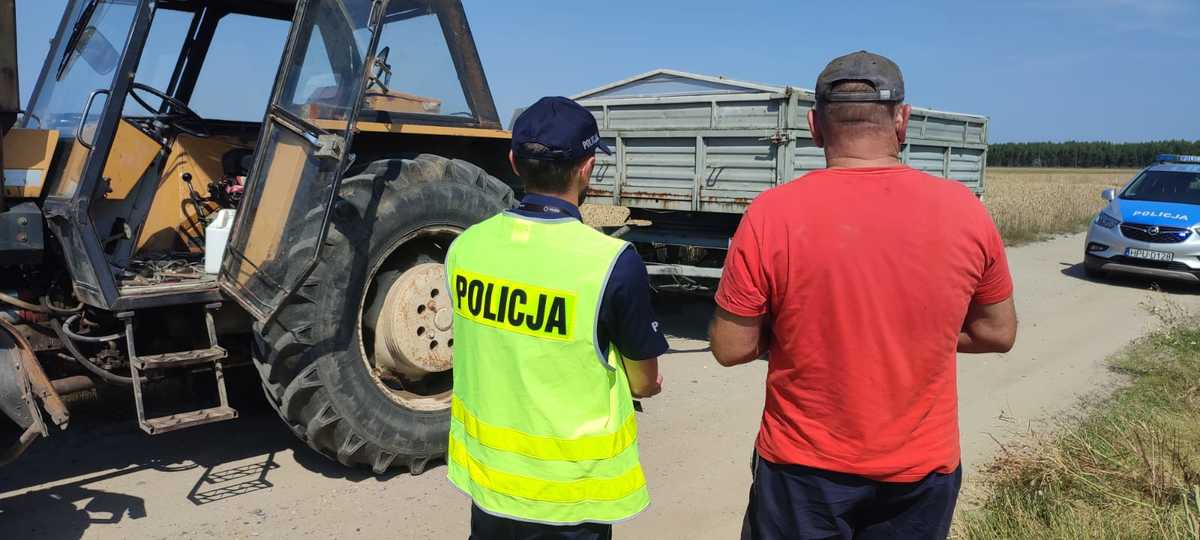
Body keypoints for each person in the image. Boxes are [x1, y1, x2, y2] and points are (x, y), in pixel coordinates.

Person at [709, 51, 1018, 540]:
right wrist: (920, 335)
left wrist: (798, 334)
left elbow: (731, 347)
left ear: (814, 126)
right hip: (922, 471)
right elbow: (998, 333)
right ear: (903, 120)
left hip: (803, 471)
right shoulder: (965, 212)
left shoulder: (772, 214)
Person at [445, 96, 668, 540]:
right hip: (572, 497)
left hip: (491, 486)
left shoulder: (465, 247)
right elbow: (644, 381)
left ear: (513, 161)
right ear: (586, 168)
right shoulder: (610, 262)